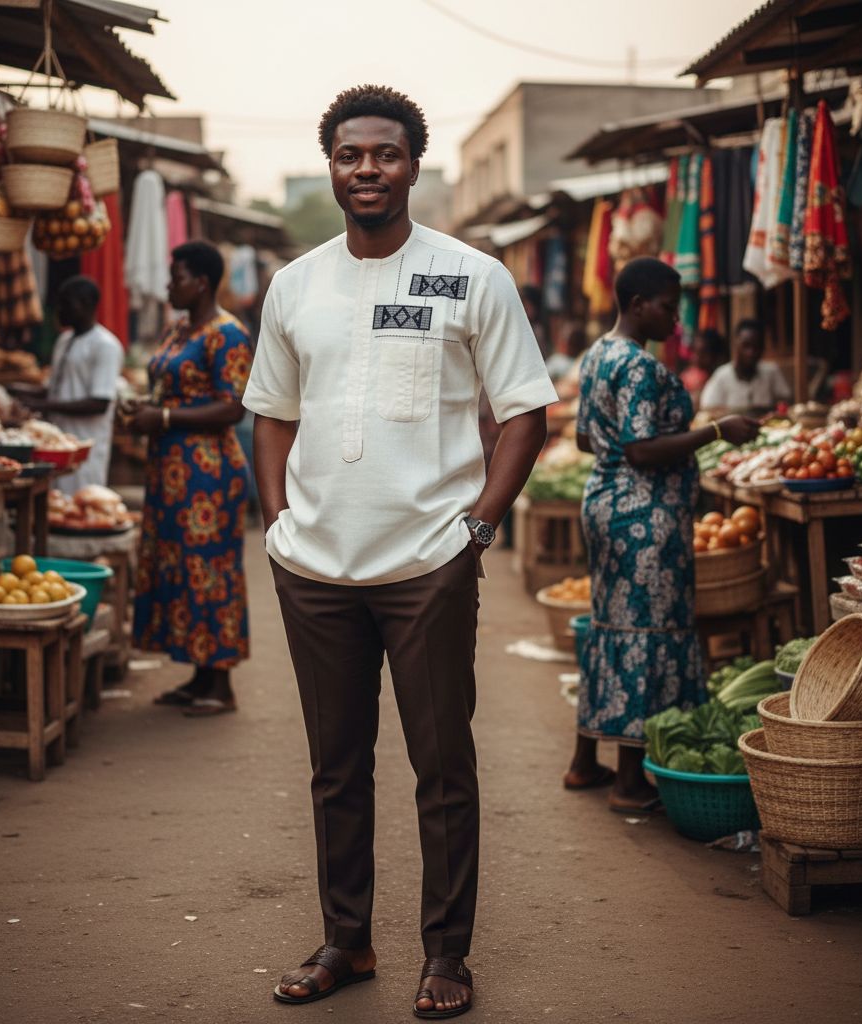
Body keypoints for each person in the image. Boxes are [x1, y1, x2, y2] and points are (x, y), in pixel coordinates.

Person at [243, 84, 556, 1018]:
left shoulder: (471, 275)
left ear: (413, 165)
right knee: (335, 765)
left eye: (384, 154)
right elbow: (268, 412)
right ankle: (347, 941)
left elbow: (526, 412)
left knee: (441, 765)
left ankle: (446, 957)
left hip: (429, 564)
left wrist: (479, 528)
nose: (366, 169)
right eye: (350, 154)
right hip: (317, 569)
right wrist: (276, 523)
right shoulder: (296, 284)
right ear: (332, 166)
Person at [565, 257, 759, 811]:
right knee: (645, 633)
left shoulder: (598, 354)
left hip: (604, 503)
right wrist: (717, 430)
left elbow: (586, 439)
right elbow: (641, 448)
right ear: (636, 305)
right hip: (643, 519)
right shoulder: (639, 367)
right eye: (668, 309)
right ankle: (628, 781)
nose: (676, 321)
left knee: (609, 626)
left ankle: (585, 762)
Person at [127, 241, 252, 716]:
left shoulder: (229, 335)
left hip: (208, 475)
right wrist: (146, 410)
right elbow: (166, 388)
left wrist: (160, 419)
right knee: (179, 569)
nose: (168, 285)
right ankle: (199, 674)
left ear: (200, 282)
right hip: (171, 471)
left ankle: (220, 685)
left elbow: (232, 405)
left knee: (209, 573)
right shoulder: (179, 329)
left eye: (175, 276)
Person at [26, 275, 124, 494]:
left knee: (81, 503)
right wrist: (23, 394)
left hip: (85, 446)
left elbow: (99, 402)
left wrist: (46, 405)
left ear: (86, 305)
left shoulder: (105, 345)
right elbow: (55, 389)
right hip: (55, 445)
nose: (60, 310)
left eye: (66, 304)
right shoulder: (64, 340)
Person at [699, 318, 791, 415]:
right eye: (746, 346)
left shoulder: (771, 371)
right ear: (735, 345)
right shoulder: (721, 376)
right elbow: (708, 409)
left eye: (757, 347)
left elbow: (786, 401)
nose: (751, 352)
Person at [680, 328, 727, 411]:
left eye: (703, 353)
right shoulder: (687, 379)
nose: (695, 358)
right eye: (694, 351)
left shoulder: (724, 379)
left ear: (716, 355)